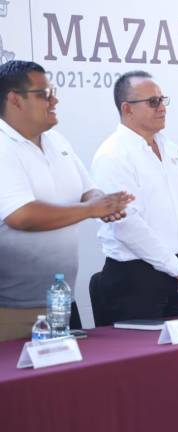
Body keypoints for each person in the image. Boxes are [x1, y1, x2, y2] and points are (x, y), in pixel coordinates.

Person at [0, 60, 131, 341]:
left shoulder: (57, 141)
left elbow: (88, 190)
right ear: (14, 99)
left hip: (62, 302)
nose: (54, 99)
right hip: (11, 312)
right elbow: (22, 216)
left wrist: (104, 204)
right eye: (44, 94)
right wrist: (90, 209)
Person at [91, 71, 178, 324]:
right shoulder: (113, 154)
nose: (162, 108)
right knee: (142, 362)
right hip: (135, 280)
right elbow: (127, 225)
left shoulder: (171, 149)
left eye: (163, 100)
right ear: (127, 109)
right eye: (153, 102)